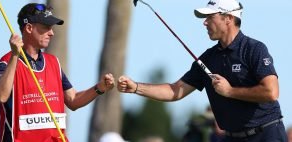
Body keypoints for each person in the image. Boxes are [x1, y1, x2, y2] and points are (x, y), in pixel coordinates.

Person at [117, 0, 288, 141]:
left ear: (228, 18)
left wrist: (229, 91)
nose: (204, 22)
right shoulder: (208, 58)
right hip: (231, 138)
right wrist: (136, 87)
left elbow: (271, 92)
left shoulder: (254, 49)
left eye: (209, 17)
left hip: (267, 134)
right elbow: (175, 91)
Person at [0, 3, 115, 142]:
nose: (51, 33)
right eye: (46, 27)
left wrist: (100, 88)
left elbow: (73, 100)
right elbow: (2, 96)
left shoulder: (53, 62)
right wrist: (15, 55)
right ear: (29, 28)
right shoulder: (7, 62)